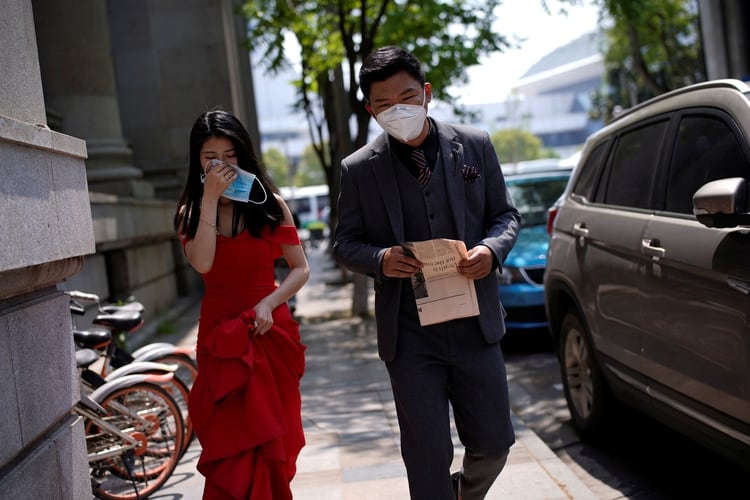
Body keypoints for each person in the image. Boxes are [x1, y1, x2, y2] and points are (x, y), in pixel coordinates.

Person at [332, 46, 521, 500]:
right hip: (410, 335)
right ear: (370, 109)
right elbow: (344, 242)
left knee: (495, 444)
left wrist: (490, 251)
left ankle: (463, 495)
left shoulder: (474, 144)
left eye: (407, 96)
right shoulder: (357, 170)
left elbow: (506, 216)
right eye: (383, 103)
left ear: (427, 93)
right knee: (426, 455)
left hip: (476, 325)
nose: (397, 109)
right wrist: (380, 260)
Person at [174, 109, 310, 499]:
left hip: (269, 328)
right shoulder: (190, 213)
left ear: (244, 155)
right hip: (220, 336)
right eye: (210, 156)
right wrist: (211, 199)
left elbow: (300, 269)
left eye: (230, 155)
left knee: (273, 443)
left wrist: (269, 303)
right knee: (230, 444)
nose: (221, 164)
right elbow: (203, 262)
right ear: (196, 160)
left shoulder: (271, 206)